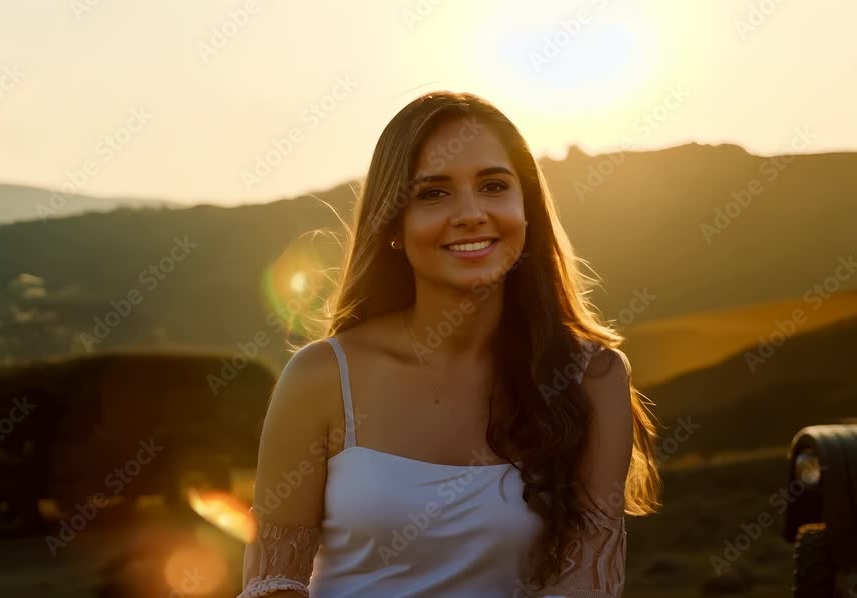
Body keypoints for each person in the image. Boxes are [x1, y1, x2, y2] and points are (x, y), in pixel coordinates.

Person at [238, 91, 661, 597]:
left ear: (526, 209)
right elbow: (272, 581)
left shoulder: (595, 379)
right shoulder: (323, 376)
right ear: (394, 224)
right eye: (434, 193)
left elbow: (588, 580)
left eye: (493, 186)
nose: (471, 213)